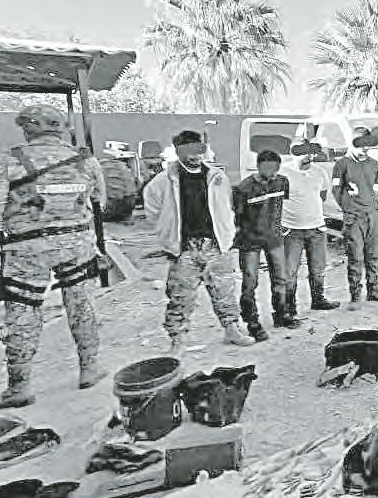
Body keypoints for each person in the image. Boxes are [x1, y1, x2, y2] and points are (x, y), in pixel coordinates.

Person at [0, 104, 107, 409]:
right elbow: (99, 200)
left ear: (28, 128)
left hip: (28, 250)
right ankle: (90, 369)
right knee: (82, 305)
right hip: (77, 244)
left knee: (23, 312)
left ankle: (20, 387)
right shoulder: (86, 160)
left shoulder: (10, 161)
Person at [143, 129, 255, 356]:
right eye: (189, 151)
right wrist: (170, 237)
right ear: (178, 152)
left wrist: (227, 234)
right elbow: (153, 212)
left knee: (224, 291)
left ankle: (232, 330)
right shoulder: (163, 181)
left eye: (199, 150)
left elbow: (227, 206)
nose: (195, 156)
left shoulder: (217, 177)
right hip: (185, 249)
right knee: (180, 297)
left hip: (215, 246)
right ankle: (178, 341)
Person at [232, 149, 295, 341]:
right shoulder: (244, 188)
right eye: (268, 168)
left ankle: (282, 314)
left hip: (274, 239)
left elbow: (281, 206)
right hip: (249, 241)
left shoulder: (282, 182)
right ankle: (252, 322)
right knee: (250, 281)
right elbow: (237, 219)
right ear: (258, 166)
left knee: (281, 278)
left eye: (276, 168)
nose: (273, 173)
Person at [332, 127, 378, 310]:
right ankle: (355, 294)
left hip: (372, 214)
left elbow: (377, 187)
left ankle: (373, 289)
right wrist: (349, 209)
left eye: (368, 145)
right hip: (354, 217)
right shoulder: (342, 164)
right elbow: (336, 190)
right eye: (361, 145)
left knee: (373, 255)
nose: (365, 149)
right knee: (355, 257)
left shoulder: (373, 164)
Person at [282, 140, 339, 317]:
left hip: (317, 229)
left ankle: (318, 299)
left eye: (310, 152)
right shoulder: (283, 173)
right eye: (301, 152)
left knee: (318, 268)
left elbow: (322, 196)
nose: (307, 156)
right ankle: (289, 308)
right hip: (291, 230)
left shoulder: (319, 172)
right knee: (289, 272)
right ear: (292, 153)